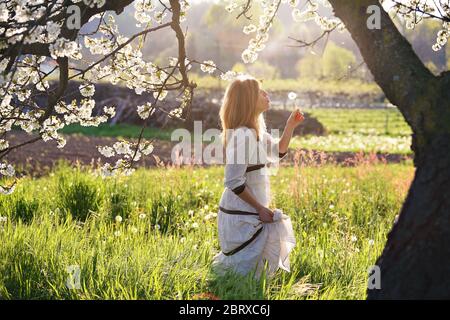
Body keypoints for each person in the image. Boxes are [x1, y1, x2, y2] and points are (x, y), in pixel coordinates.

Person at [211, 74, 305, 279]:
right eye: (260, 92)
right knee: (243, 270)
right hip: (243, 211)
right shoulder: (243, 135)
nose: (266, 94)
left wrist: (290, 126)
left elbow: (278, 151)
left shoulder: (258, 133)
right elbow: (233, 181)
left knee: (251, 270)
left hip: (253, 208)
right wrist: (260, 209)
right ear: (248, 100)